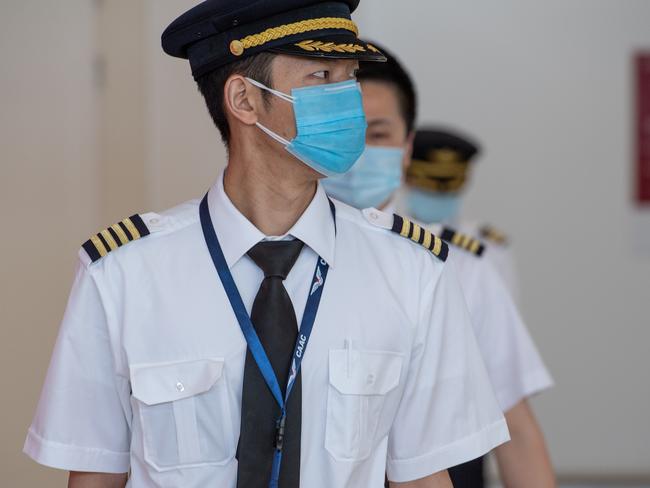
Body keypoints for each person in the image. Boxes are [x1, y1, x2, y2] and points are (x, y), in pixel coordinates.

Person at [23, 1, 509, 487]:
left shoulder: (411, 272)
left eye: (350, 77)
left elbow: (425, 477)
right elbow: (95, 477)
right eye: (322, 77)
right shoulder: (122, 275)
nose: (348, 100)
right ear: (244, 100)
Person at [323, 42, 555, 488]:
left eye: (379, 134)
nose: (360, 150)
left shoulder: (459, 267)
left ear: (408, 147)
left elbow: (516, 430)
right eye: (346, 130)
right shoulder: (269, 258)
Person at [406, 128, 521, 301]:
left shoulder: (488, 248)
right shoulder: (386, 237)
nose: (438, 194)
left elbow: (501, 321)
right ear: (406, 178)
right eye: (429, 186)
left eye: (448, 188)